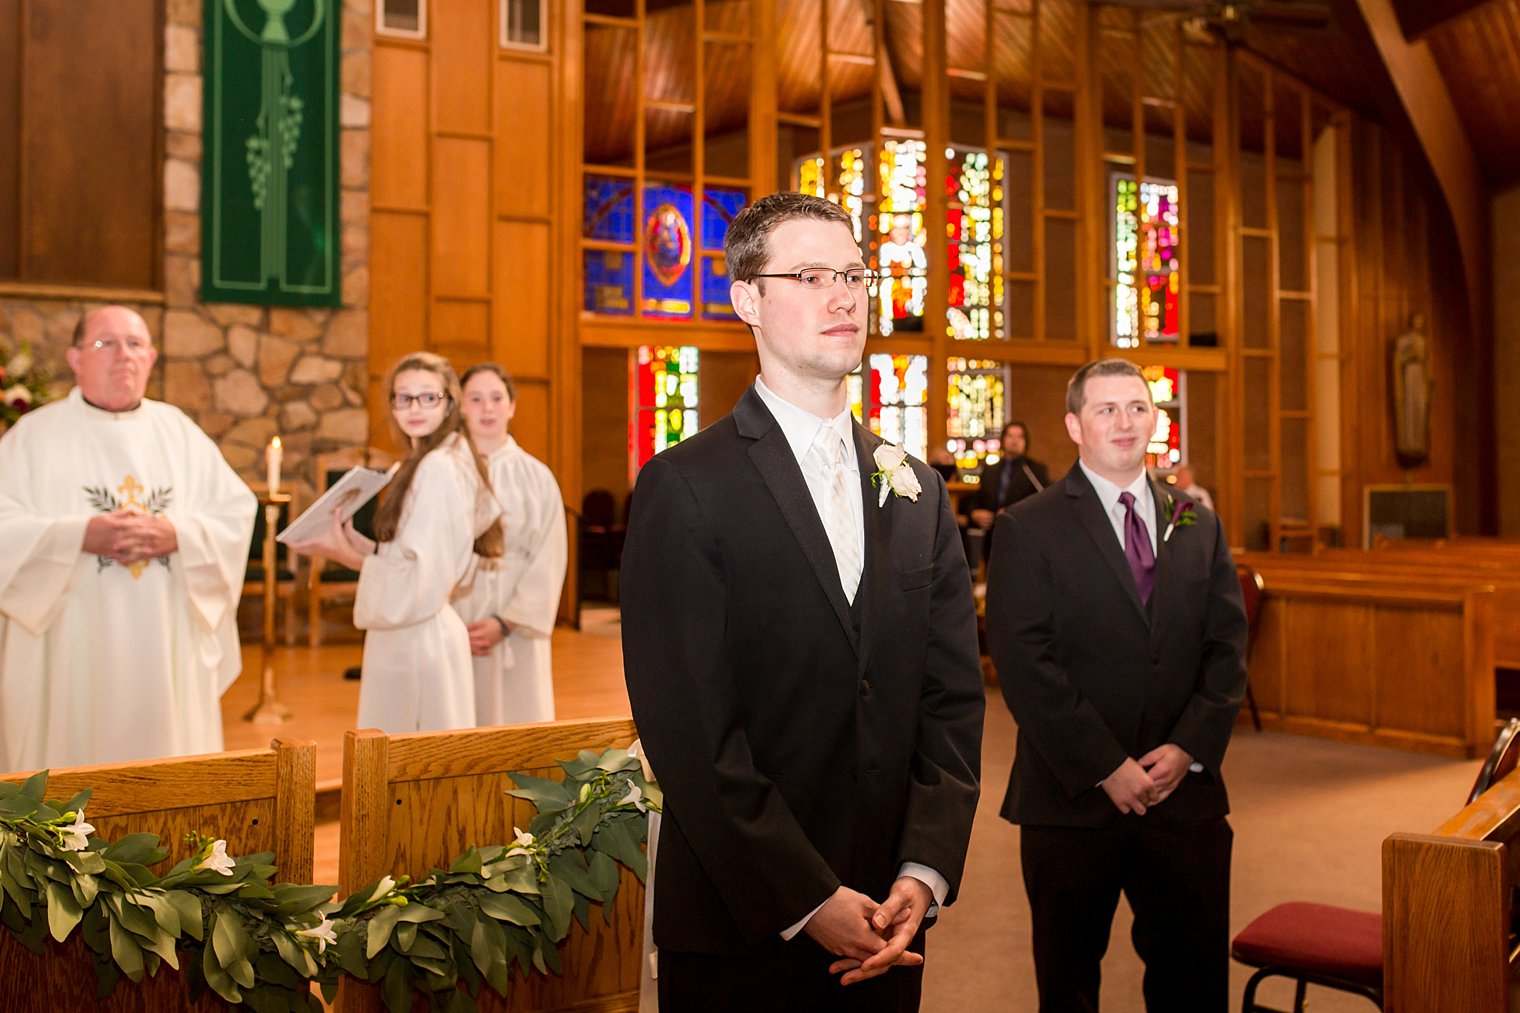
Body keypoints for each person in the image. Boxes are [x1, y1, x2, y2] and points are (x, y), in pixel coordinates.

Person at [620, 192, 985, 1011]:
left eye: (855, 274)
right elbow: (690, 732)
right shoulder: (685, 485)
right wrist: (807, 897)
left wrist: (921, 872)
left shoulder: (917, 488)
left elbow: (951, 702)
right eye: (812, 274)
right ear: (747, 299)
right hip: (741, 921)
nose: (845, 295)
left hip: (891, 920)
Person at [985, 358, 1248, 1011]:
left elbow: (1227, 648)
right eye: (1106, 409)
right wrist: (1106, 765)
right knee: (1070, 985)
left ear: (1155, 419)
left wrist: (1187, 748)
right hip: (1072, 800)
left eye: (1137, 406)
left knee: (1193, 982)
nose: (1125, 421)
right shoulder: (1029, 525)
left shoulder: (1198, 521)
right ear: (1075, 424)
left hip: (1183, 796)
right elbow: (1025, 660)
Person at [0, 305, 256, 771]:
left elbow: (235, 513)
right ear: (75, 358)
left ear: (152, 358)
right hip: (71, 648)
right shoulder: (32, 437)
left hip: (164, 642)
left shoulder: (179, 432)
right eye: (106, 344)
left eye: (136, 344)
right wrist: (80, 534)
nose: (124, 356)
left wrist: (177, 535)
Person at [288, 352, 502, 734]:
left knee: (409, 766)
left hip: (418, 639)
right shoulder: (436, 457)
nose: (414, 408)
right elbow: (416, 555)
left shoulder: (437, 467)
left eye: (427, 397)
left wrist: (342, 555)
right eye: (403, 398)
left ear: (449, 401)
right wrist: (363, 546)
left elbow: (420, 580)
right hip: (421, 632)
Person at [454, 363, 567, 725]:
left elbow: (550, 556)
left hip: (517, 623)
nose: (487, 408)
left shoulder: (536, 476)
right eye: (475, 399)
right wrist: (451, 626)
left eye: (496, 398)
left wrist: (506, 621)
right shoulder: (444, 471)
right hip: (458, 618)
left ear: (512, 406)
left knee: (517, 720)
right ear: (459, 407)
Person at [961, 421, 1050, 558]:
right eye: (1010, 436)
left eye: (1019, 437)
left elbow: (1042, 502)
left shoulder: (1034, 470)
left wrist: (1011, 512)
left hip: (1023, 538)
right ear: (1003, 440)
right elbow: (975, 499)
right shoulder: (990, 470)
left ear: (1026, 442)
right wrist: (975, 513)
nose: (1015, 441)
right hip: (993, 538)